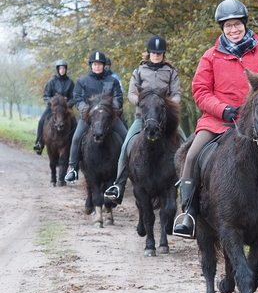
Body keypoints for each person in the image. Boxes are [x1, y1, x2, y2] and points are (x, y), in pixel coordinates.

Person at [172, 0, 258, 245]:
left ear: (244, 24)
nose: (234, 30)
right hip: (218, 122)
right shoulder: (210, 57)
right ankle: (187, 214)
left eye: (237, 25)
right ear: (222, 28)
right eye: (228, 26)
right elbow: (200, 91)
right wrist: (223, 110)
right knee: (191, 156)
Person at [103, 35, 186, 204]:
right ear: (148, 53)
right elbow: (132, 93)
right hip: (143, 118)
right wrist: (142, 102)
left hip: (165, 119)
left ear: (163, 54)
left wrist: (169, 104)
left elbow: (177, 94)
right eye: (154, 53)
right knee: (126, 146)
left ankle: (186, 188)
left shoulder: (171, 72)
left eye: (160, 53)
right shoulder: (139, 71)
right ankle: (118, 185)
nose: (156, 55)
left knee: (185, 144)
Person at [64, 51, 128, 183]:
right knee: (76, 138)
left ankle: (128, 168)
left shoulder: (113, 81)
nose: (97, 67)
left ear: (104, 65)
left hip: (109, 118)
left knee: (126, 137)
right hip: (89, 117)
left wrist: (111, 110)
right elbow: (78, 98)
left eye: (99, 64)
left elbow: (118, 98)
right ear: (91, 65)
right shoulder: (82, 81)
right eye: (95, 64)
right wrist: (86, 110)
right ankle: (73, 168)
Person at [34, 60, 76, 155]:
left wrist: (67, 104)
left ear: (66, 70)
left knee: (74, 122)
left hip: (66, 109)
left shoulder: (70, 82)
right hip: (53, 108)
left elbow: (73, 97)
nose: (62, 70)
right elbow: (46, 96)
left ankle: (74, 145)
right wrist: (52, 103)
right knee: (41, 121)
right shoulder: (51, 81)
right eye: (60, 68)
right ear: (57, 69)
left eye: (64, 68)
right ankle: (39, 143)